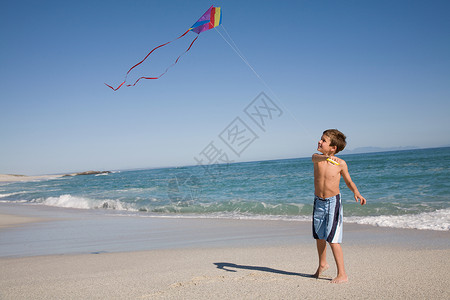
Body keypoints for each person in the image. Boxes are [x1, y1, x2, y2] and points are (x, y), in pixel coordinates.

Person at [311, 129, 366, 283]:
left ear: (333, 147)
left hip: (332, 202)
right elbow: (315, 158)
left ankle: (342, 273)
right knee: (319, 235)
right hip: (318, 202)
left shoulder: (340, 163)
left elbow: (349, 181)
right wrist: (326, 158)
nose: (319, 142)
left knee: (332, 238)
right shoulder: (317, 158)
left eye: (323, 141)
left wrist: (356, 192)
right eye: (320, 139)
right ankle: (322, 264)